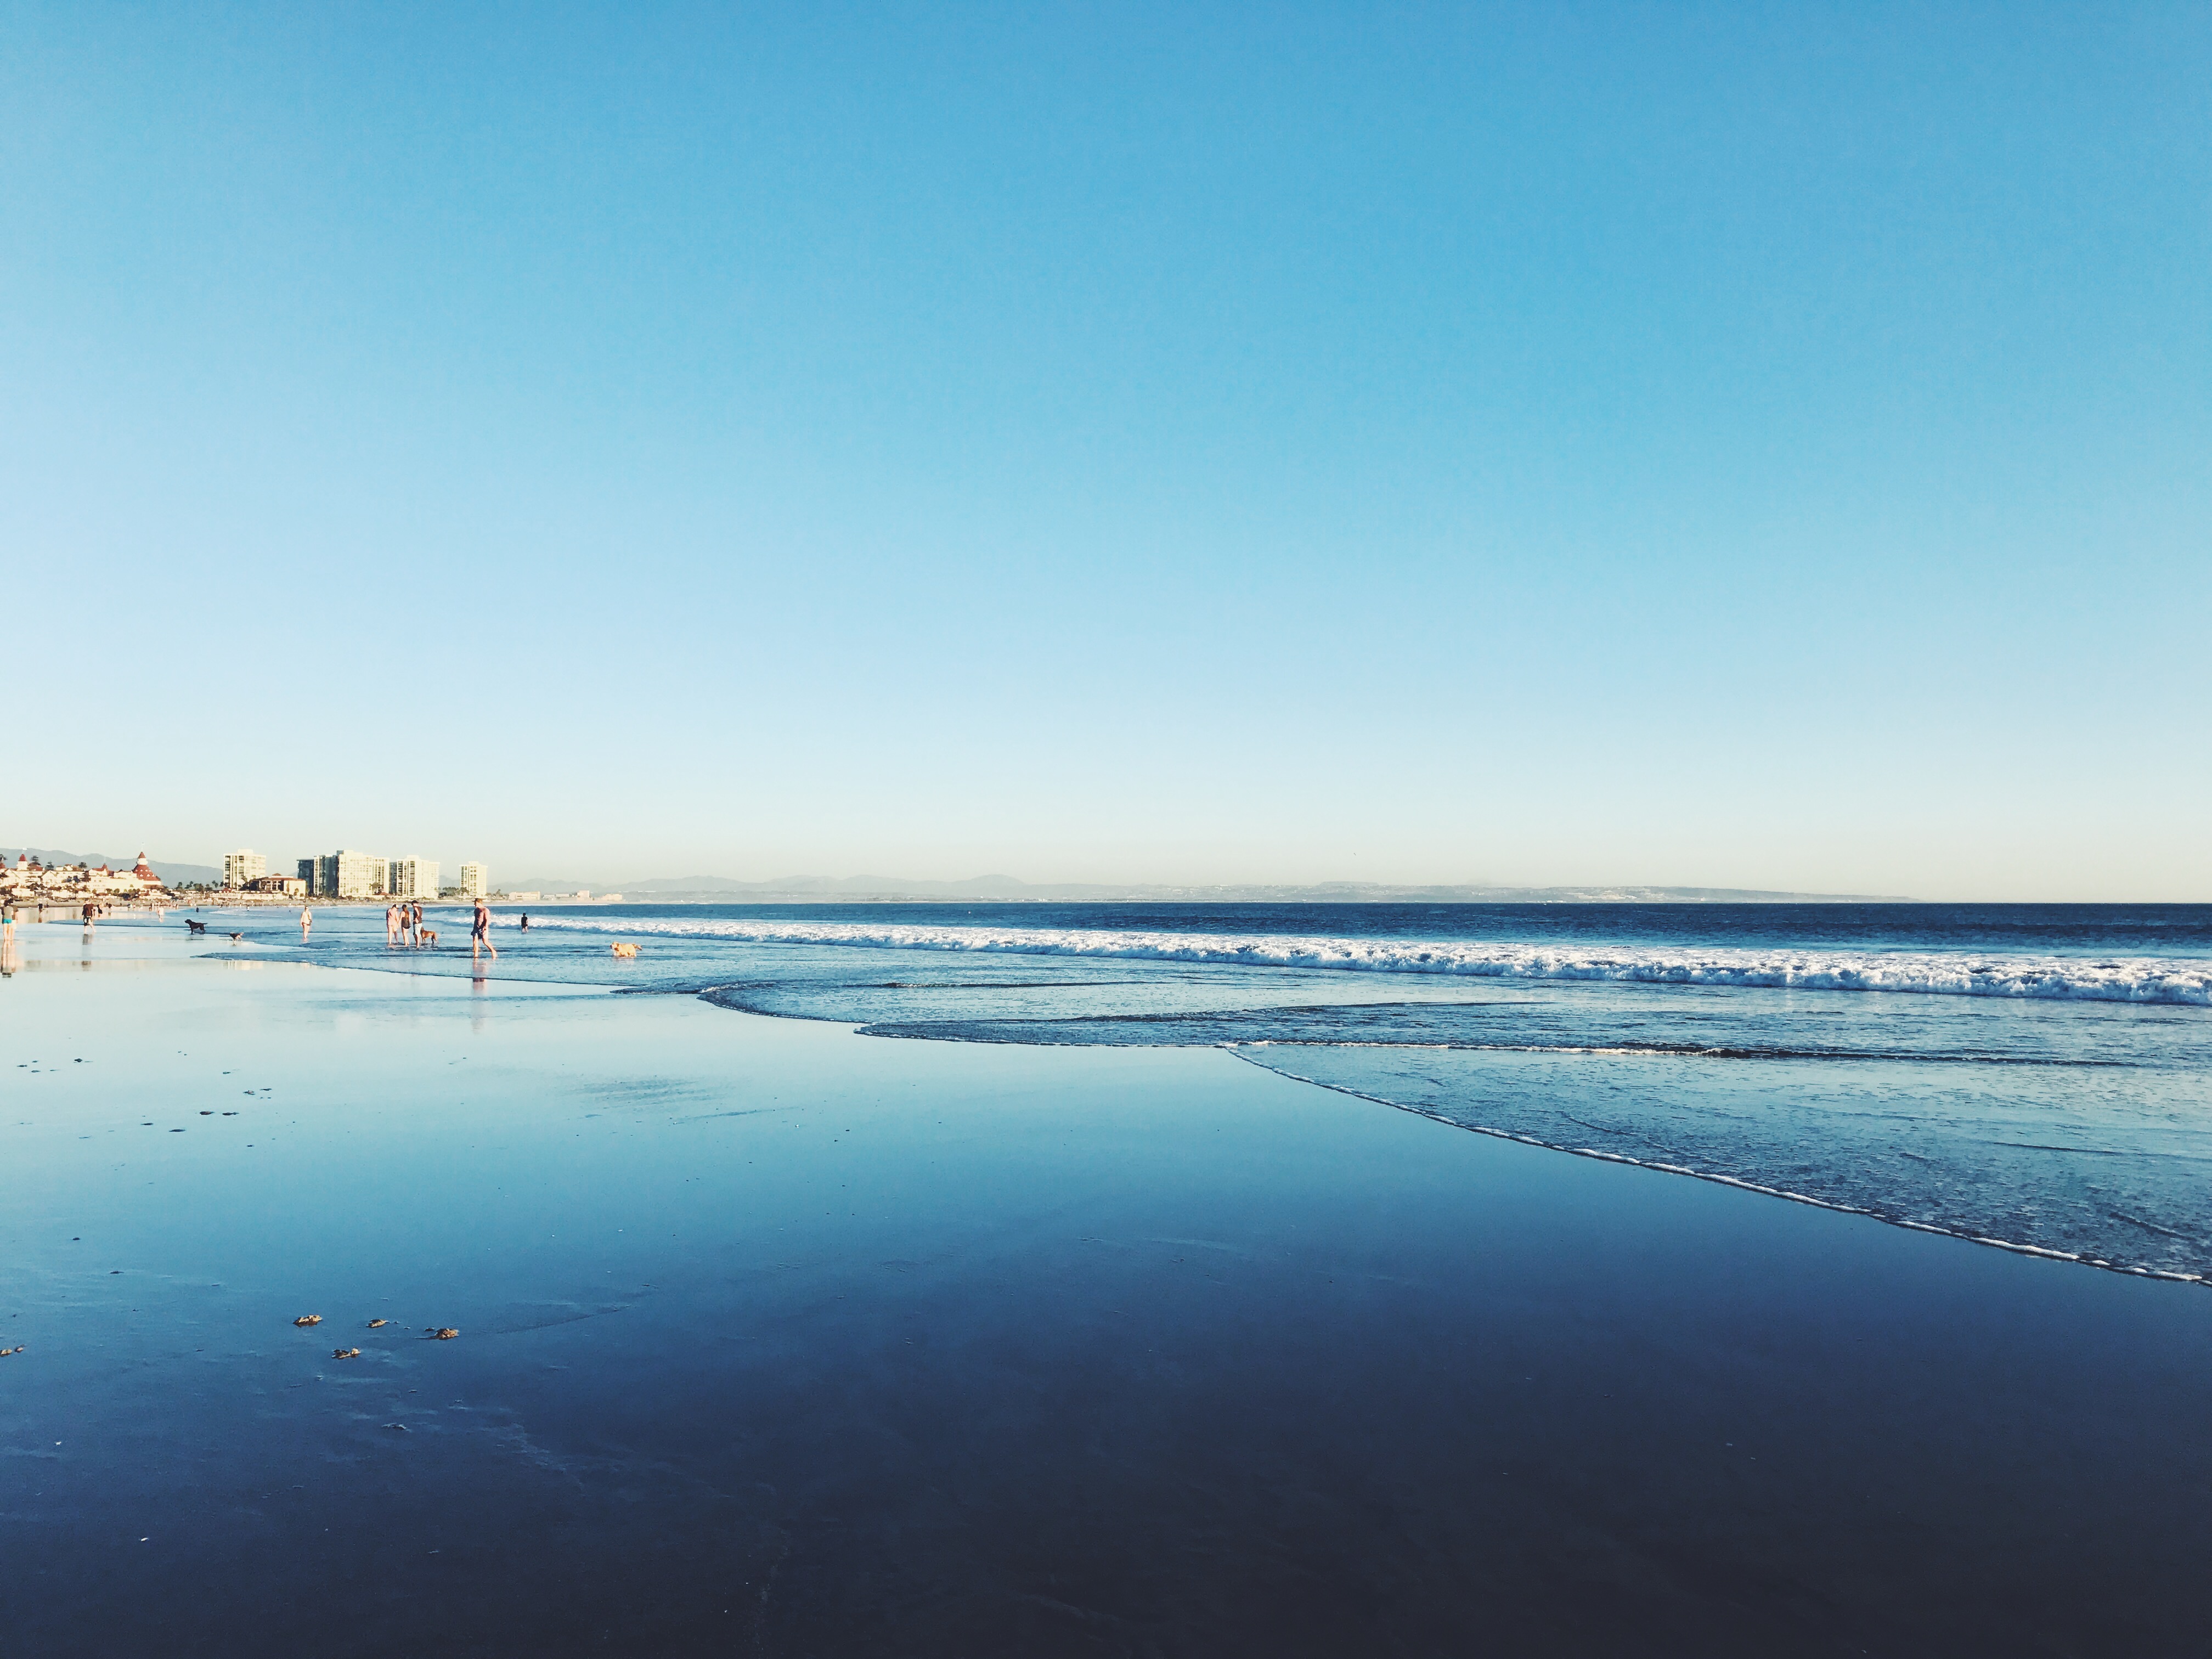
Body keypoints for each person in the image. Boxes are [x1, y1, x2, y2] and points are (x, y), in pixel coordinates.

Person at [471, 897, 497, 961]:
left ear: (479, 903)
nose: (475, 905)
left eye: (476, 903)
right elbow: (476, 920)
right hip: (476, 928)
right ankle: (476, 956)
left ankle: (493, 951)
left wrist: (485, 927)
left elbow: (487, 919)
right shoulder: (476, 910)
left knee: (485, 942)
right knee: (475, 942)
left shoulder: (485, 910)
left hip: (483, 928)